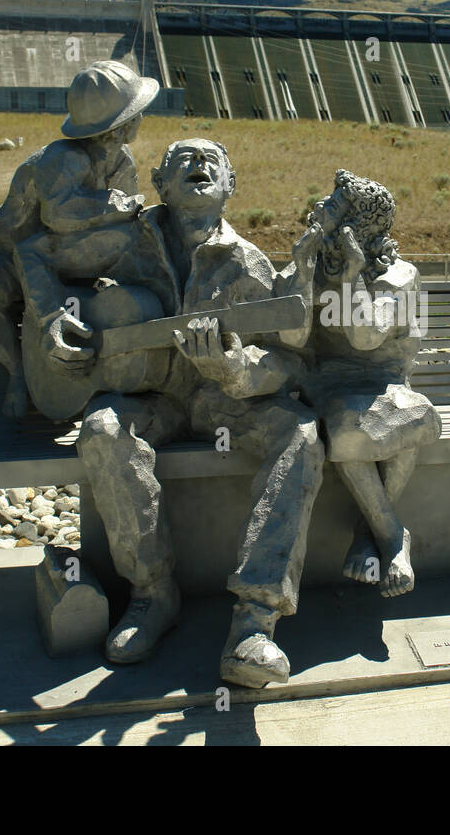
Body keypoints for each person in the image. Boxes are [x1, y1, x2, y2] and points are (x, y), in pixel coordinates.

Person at [69, 139, 327, 689]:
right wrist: (58, 324)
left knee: (300, 434)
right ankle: (152, 594)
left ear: (231, 185)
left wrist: (237, 371)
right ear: (160, 183)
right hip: (150, 397)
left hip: (220, 401)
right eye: (184, 159)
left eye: (214, 161)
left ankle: (254, 623)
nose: (200, 166)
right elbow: (56, 288)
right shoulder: (123, 243)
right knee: (102, 430)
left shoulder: (246, 263)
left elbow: (288, 360)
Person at [0, 60, 157, 417]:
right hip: (11, 259)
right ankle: (18, 372)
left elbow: (123, 225)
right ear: (118, 127)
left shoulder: (121, 161)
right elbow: (58, 216)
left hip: (64, 261)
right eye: (136, 114)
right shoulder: (64, 159)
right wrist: (115, 204)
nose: (141, 120)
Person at [298, 170, 441, 598]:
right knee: (347, 428)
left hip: (384, 384)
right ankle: (394, 536)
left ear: (357, 227)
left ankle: (369, 534)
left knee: (408, 419)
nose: (323, 205)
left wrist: (350, 278)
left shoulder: (398, 276)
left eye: (336, 203)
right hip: (330, 386)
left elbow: (366, 336)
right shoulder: (313, 264)